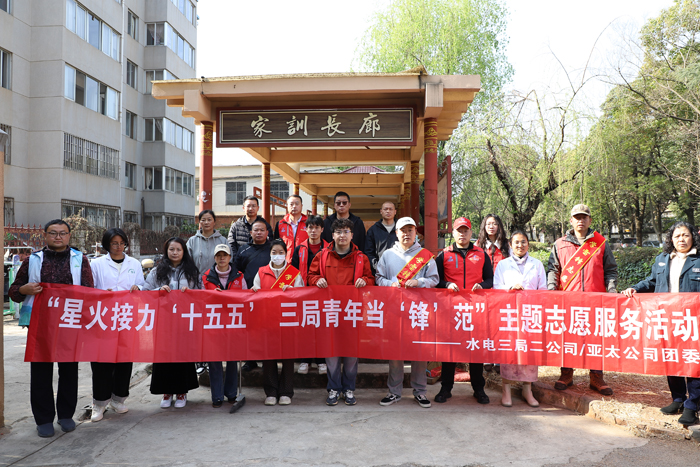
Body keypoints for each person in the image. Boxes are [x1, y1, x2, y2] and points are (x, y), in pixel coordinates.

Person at [9, 219, 94, 438]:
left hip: (69, 321)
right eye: (53, 233)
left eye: (62, 233)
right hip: (40, 323)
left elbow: (90, 291)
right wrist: (25, 289)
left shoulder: (80, 259)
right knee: (41, 371)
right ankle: (44, 419)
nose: (58, 237)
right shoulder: (33, 260)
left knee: (69, 370)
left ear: (69, 236)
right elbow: (14, 291)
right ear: (45, 235)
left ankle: (66, 415)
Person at [622, 221, 700, 426]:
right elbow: (652, 282)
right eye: (677, 236)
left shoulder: (698, 259)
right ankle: (678, 399)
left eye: (685, 235)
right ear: (671, 240)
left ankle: (692, 405)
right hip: (666, 319)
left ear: (693, 237)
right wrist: (634, 288)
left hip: (693, 321)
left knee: (693, 361)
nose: (681, 239)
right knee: (671, 358)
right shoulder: (662, 259)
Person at [547, 203, 618, 395]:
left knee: (595, 338)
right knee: (568, 336)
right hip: (568, 300)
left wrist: (612, 290)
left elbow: (610, 269)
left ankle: (596, 377)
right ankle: (566, 374)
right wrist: (552, 290)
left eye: (584, 217)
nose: (580, 220)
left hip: (595, 300)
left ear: (590, 220)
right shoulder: (560, 244)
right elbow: (553, 269)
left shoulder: (600, 243)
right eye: (577, 217)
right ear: (571, 220)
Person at [308, 218, 374, 406]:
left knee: (351, 354)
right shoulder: (322, 256)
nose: (342, 235)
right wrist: (317, 280)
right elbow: (310, 276)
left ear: (352, 235)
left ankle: (349, 389)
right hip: (330, 312)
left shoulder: (361, 257)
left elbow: (371, 279)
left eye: (346, 232)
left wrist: (365, 281)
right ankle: (333, 389)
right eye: (338, 232)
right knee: (332, 354)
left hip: (353, 312)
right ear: (332, 235)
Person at [376, 217, 438, 408]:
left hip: (418, 311)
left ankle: (420, 392)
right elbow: (378, 278)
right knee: (396, 353)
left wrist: (419, 282)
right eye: (403, 230)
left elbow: (434, 279)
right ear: (396, 233)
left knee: (419, 352)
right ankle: (394, 392)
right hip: (395, 311)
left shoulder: (425, 255)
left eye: (410, 230)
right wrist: (390, 284)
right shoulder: (387, 255)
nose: (407, 234)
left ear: (415, 233)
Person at [434, 217, 493, 405]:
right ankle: (446, 388)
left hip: (476, 310)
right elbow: (435, 280)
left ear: (471, 232)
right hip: (451, 310)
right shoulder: (444, 255)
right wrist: (447, 284)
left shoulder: (481, 254)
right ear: (453, 233)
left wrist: (482, 285)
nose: (462, 234)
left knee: (475, 348)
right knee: (450, 349)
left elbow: (490, 279)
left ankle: (478, 388)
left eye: (465, 230)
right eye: (459, 230)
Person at [89, 228, 145, 422]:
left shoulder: (134, 263)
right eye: (114, 243)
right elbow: (89, 289)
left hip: (126, 318)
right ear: (107, 244)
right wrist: (102, 293)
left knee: (124, 360)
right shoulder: (96, 264)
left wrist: (138, 288)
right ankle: (99, 403)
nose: (118, 247)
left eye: (121, 243)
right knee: (101, 362)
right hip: (103, 319)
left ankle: (119, 399)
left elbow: (142, 285)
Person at [143, 237, 201, 409]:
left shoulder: (192, 272)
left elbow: (201, 293)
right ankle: (166, 392)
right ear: (166, 251)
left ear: (184, 252)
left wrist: (190, 293)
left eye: (178, 249)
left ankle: (182, 392)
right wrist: (158, 291)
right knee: (164, 357)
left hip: (184, 321)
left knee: (182, 356)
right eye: (171, 249)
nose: (175, 253)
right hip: (163, 321)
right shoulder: (157, 271)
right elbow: (145, 293)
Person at [493, 230, 546, 407]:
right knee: (509, 350)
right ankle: (506, 389)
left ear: (528, 244)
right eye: (516, 242)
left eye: (523, 242)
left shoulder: (537, 264)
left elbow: (543, 290)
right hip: (510, 314)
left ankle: (527, 389)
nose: (520, 245)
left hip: (530, 313)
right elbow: (496, 287)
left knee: (529, 351)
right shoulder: (503, 265)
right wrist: (510, 288)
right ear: (510, 245)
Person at [251, 239, 304, 406]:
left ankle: (286, 392)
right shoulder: (261, 272)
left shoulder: (294, 273)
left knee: (288, 358)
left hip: (288, 321)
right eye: (274, 252)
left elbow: (303, 296)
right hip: (268, 321)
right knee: (269, 358)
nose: (277, 255)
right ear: (269, 253)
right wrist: (254, 291)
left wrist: (293, 291)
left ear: (286, 254)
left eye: (281, 252)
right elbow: (254, 293)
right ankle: (271, 392)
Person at [201, 243, 247, 408]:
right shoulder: (206, 277)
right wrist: (212, 296)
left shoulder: (239, 276)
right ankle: (217, 396)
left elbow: (245, 297)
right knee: (214, 361)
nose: (222, 258)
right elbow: (200, 299)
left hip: (233, 322)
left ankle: (232, 394)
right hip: (213, 323)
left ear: (230, 257)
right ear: (215, 258)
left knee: (232, 359)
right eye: (219, 255)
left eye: (225, 255)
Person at [291, 215, 329, 375]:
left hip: (324, 294)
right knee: (305, 327)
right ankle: (305, 360)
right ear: (305, 230)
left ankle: (321, 360)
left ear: (322, 229)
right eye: (310, 228)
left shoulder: (329, 248)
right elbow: (292, 271)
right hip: (304, 295)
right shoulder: (299, 249)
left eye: (316, 227)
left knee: (322, 328)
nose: (313, 231)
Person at [234, 218, 273, 372]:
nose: (259, 232)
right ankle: (250, 360)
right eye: (256, 230)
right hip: (249, 296)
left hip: (269, 296)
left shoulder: (273, 249)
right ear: (251, 233)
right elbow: (237, 272)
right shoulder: (243, 250)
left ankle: (267, 358)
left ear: (267, 232)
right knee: (250, 329)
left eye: (262, 230)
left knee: (267, 328)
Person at [187, 209, 227, 275]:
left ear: (214, 222)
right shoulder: (192, 241)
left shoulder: (222, 241)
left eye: (209, 220)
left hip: (218, 279)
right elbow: (187, 261)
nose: (206, 222)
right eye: (203, 220)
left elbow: (229, 260)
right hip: (196, 278)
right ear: (199, 222)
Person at [364, 201, 398, 274]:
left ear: (395, 212)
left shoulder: (401, 229)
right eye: (385, 209)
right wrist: (377, 267)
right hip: (379, 272)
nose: (388, 211)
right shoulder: (373, 230)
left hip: (399, 270)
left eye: (391, 209)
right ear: (381, 211)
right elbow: (368, 252)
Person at [274, 194, 308, 263]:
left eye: (297, 204)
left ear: (301, 206)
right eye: (291, 204)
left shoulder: (308, 223)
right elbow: (275, 244)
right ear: (287, 206)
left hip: (304, 261)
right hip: (285, 263)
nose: (294, 206)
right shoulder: (280, 224)